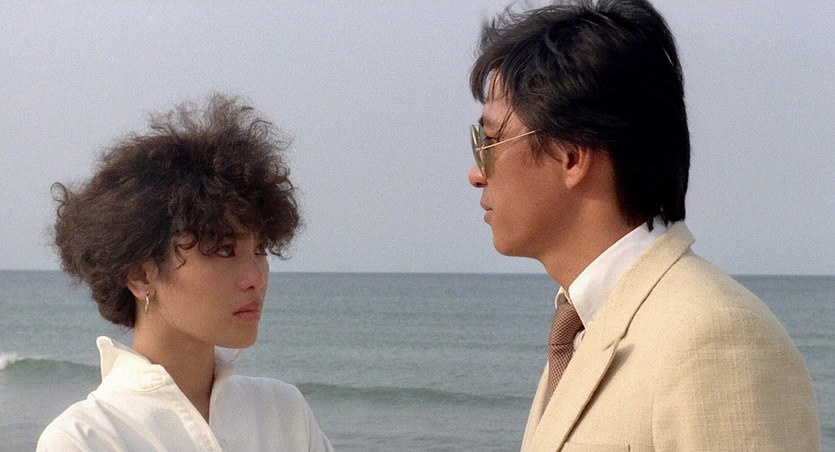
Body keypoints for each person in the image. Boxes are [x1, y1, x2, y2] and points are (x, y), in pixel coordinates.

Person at [466, 1, 820, 450]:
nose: (476, 174)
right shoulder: (582, 329)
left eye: (489, 141)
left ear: (572, 156)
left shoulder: (716, 339)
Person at [38, 94, 334, 451]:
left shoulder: (283, 413)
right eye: (224, 250)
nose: (256, 278)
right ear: (141, 275)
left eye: (260, 250)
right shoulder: (87, 438)